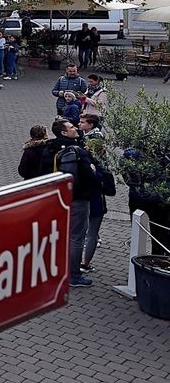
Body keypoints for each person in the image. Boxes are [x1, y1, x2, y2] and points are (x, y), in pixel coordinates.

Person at [41, 119, 102, 288]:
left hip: (55, 198)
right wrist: (94, 173)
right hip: (77, 199)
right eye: (71, 127)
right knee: (76, 237)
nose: (75, 128)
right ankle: (73, 274)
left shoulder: (49, 149)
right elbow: (85, 177)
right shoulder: (75, 151)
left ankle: (54, 267)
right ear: (64, 132)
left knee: (60, 234)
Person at [78, 114, 108, 273]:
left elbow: (96, 160)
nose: (79, 124)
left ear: (90, 124)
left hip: (93, 190)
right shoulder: (90, 135)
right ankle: (85, 262)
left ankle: (85, 262)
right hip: (94, 189)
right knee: (91, 230)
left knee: (90, 233)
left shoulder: (94, 139)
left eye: (82, 122)